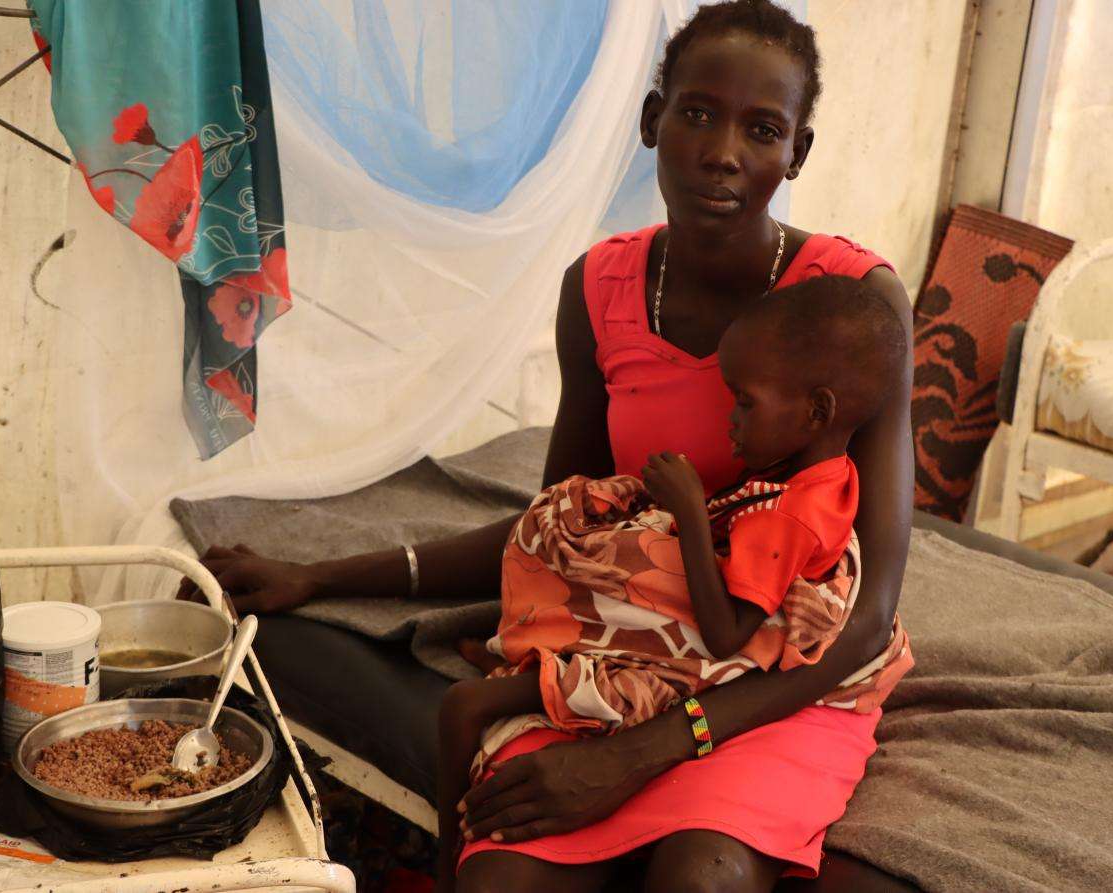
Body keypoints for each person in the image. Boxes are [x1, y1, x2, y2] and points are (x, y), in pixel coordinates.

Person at [186, 2, 915, 889]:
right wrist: (325, 576)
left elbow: (867, 614)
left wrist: (643, 751)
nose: (723, 150)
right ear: (652, 121)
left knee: (700, 875)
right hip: (624, 647)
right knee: (501, 877)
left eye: (762, 129)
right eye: (696, 113)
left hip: (769, 681)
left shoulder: (851, 309)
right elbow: (563, 528)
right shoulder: (602, 289)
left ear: (796, 152)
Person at [431, 276, 911, 891]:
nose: (728, 421)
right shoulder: (814, 480)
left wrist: (687, 510)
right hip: (707, 672)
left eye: (743, 402)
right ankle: (535, 648)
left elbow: (724, 635)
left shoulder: (789, 516)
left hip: (732, 686)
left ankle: (445, 860)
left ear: (817, 410)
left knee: (468, 704)